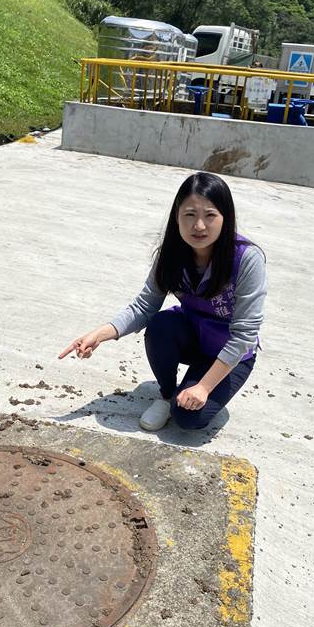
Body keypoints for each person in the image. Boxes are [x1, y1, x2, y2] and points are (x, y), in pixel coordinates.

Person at [59, 172, 267, 432]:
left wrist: (203, 387)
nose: (199, 226)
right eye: (190, 214)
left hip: (230, 353)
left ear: (226, 218)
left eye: (210, 215)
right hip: (192, 337)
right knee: (160, 324)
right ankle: (167, 395)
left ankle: (197, 388)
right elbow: (144, 306)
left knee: (190, 419)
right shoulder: (171, 255)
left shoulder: (247, 259)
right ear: (176, 217)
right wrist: (100, 334)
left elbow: (244, 335)